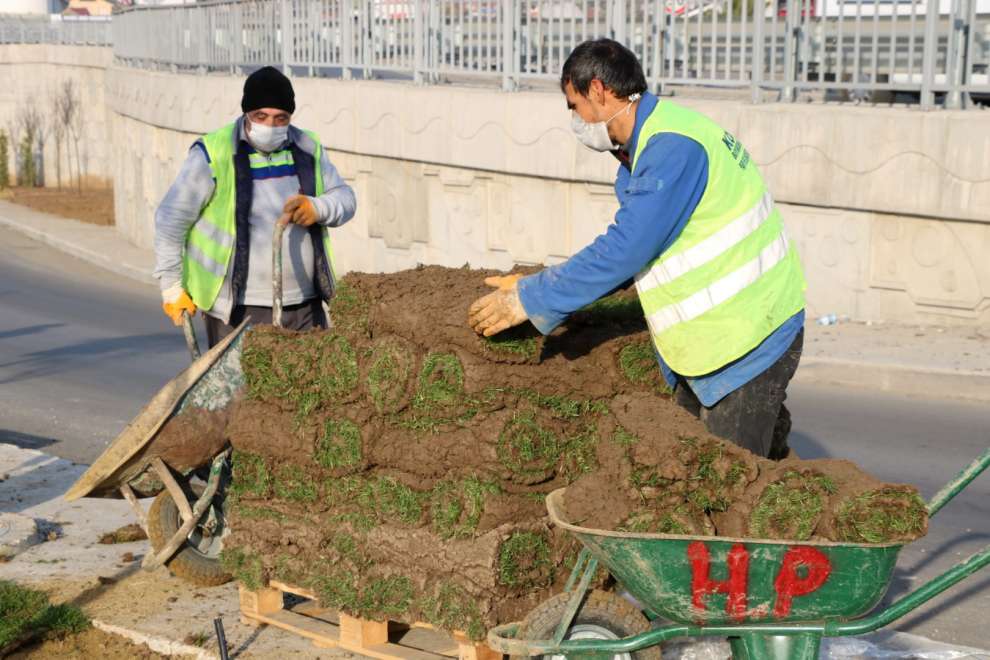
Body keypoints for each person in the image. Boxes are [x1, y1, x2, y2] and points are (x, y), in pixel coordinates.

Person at [468, 39, 806, 460]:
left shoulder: (671, 149)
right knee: (693, 474)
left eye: (573, 106)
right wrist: (544, 284)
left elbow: (627, 249)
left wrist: (533, 298)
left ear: (597, 90)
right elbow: (643, 248)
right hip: (716, 342)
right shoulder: (650, 143)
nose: (574, 119)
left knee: (726, 486)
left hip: (747, 339)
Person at [154, 66, 356, 347]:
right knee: (245, 391)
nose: (270, 126)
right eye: (261, 116)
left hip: (304, 305)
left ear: (290, 117)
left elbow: (346, 198)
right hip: (237, 310)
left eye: (280, 118)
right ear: (247, 113)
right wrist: (172, 286)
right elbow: (170, 219)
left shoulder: (307, 147)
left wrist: (318, 207)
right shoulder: (214, 152)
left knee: (307, 391)